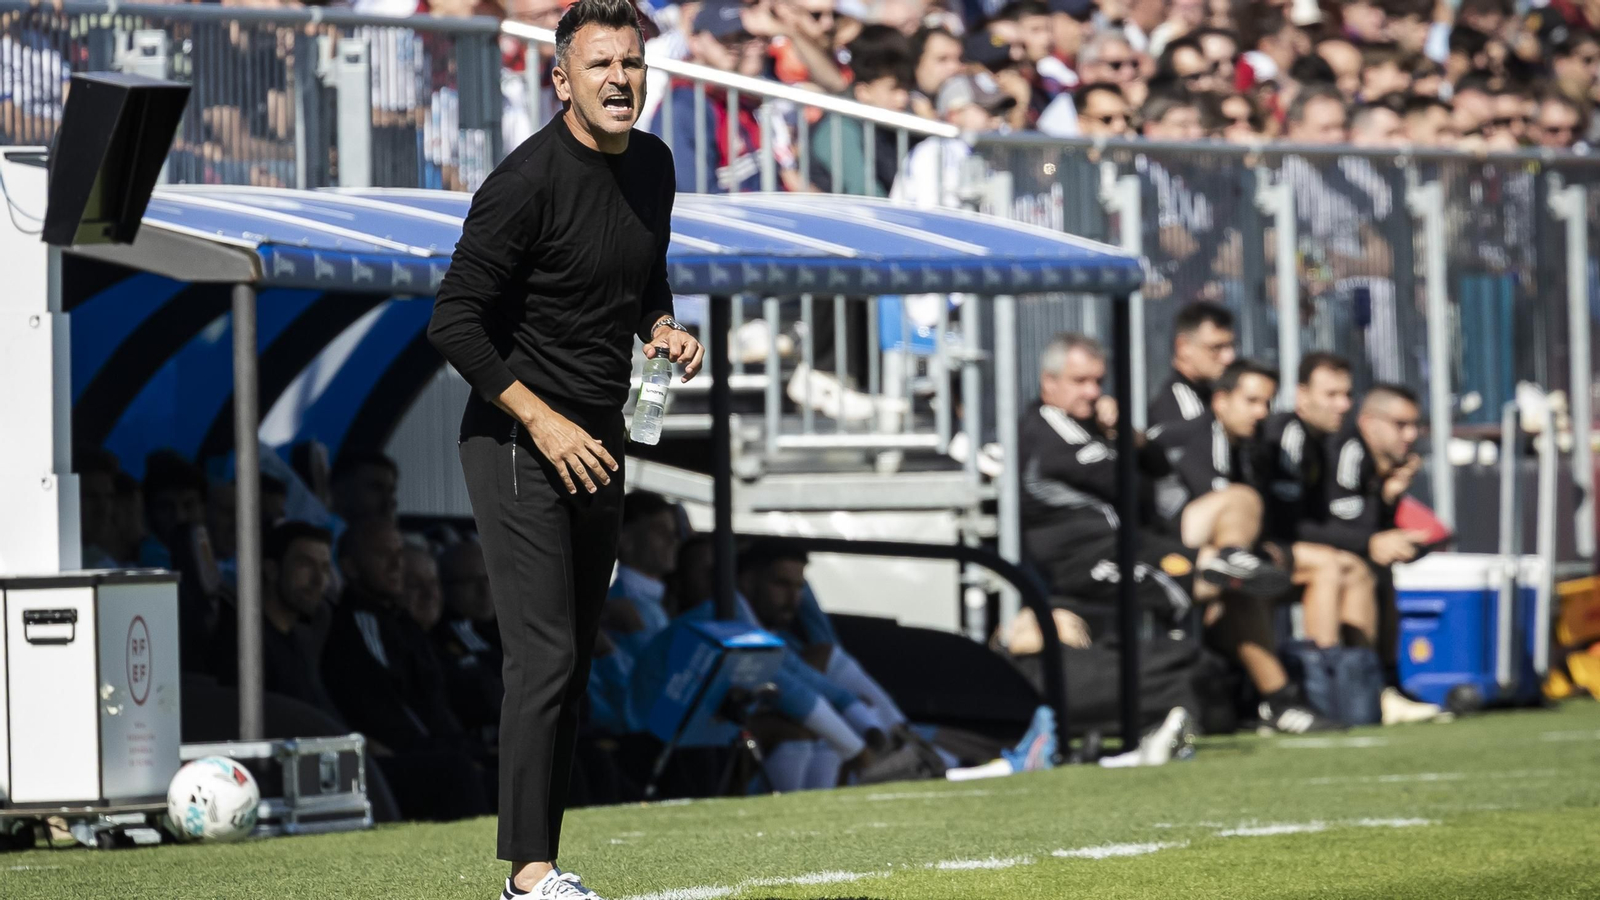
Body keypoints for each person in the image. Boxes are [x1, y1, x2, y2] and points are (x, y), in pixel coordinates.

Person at [426, 0, 705, 892]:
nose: (620, 78)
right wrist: (541, 418)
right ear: (561, 80)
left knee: (575, 659)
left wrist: (662, 326)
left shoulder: (655, 166)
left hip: (603, 436)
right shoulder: (523, 183)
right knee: (542, 656)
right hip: (515, 440)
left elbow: (644, 274)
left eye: (633, 63)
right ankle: (530, 875)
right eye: (601, 65)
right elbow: (453, 322)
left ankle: (542, 867)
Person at [1149, 359, 1337, 733]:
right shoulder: (1189, 439)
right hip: (1163, 554)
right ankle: (1282, 700)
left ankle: (1327, 685)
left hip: (1208, 560)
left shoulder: (1250, 449)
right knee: (1242, 505)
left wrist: (1267, 546)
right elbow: (1181, 513)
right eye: (1251, 401)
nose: (1261, 413)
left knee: (1319, 566)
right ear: (1220, 401)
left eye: (1266, 403)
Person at [1255, 353, 1377, 652]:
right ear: (1302, 395)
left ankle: (1366, 680)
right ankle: (1325, 674)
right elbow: (1288, 524)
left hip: (1281, 545)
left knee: (1359, 569)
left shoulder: (1320, 442)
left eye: (1347, 395)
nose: (1343, 405)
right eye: (1331, 394)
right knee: (1331, 565)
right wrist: (1368, 542)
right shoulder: (1288, 435)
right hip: (1258, 547)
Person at [1148, 301, 1236, 434]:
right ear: (1183, 347)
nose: (1229, 357)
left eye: (1231, 346)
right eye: (1216, 347)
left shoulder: (1209, 395)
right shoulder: (1177, 408)